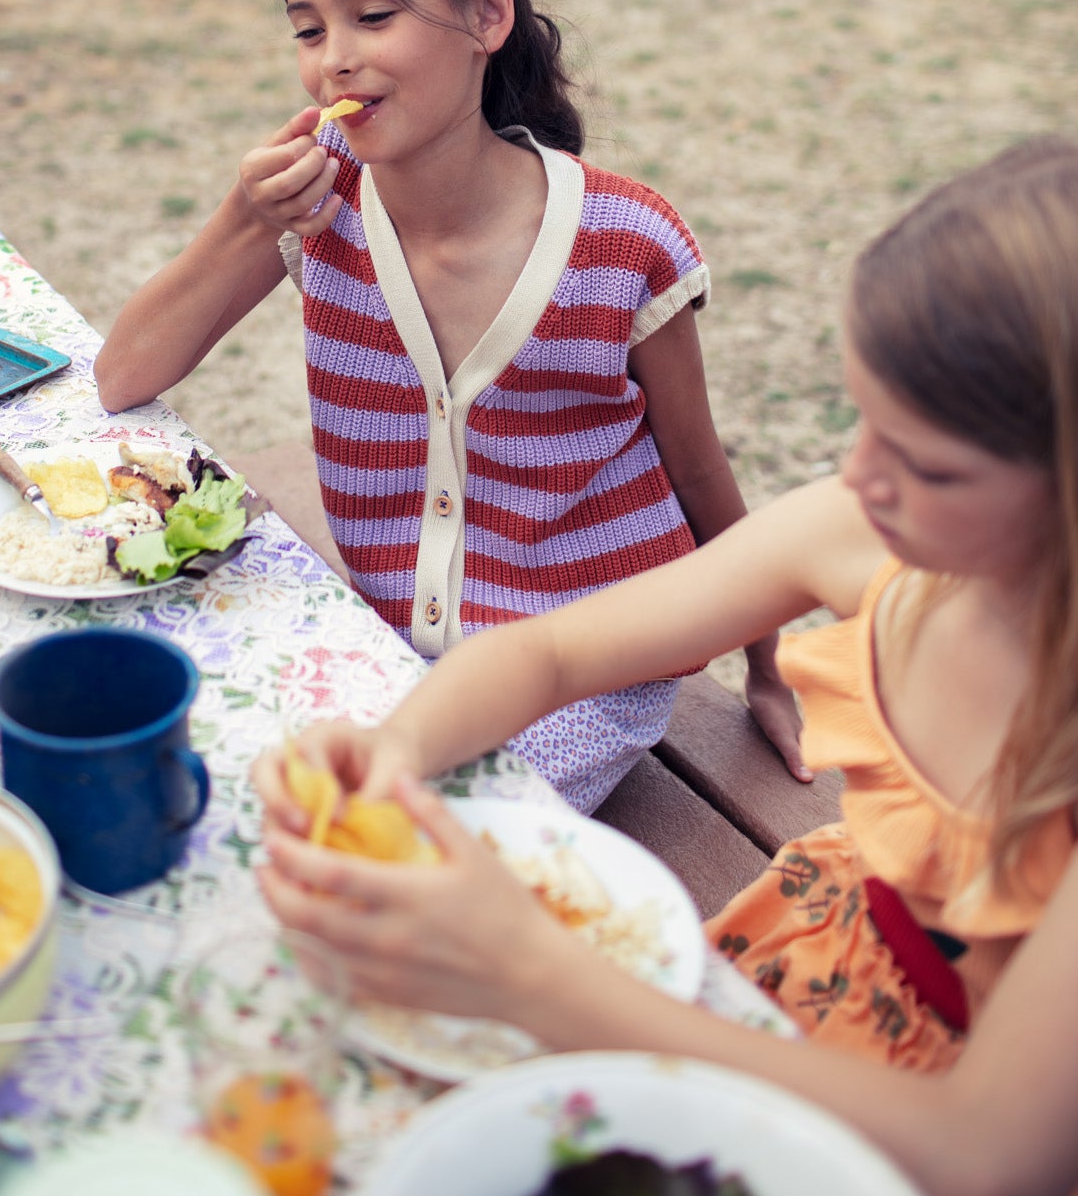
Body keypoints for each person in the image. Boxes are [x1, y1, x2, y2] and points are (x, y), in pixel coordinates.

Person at [253, 136, 1078, 1196]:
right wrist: (393, 744)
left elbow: (987, 1153)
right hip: (809, 964)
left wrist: (535, 973)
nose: (856, 473)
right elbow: (552, 648)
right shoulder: (868, 537)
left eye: (926, 463)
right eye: (862, 418)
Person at [96, 0, 802, 808]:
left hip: (588, 671)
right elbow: (125, 376)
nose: (334, 57)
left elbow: (698, 468)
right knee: (192, 775)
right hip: (390, 645)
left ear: (488, 14)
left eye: (373, 15)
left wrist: (766, 665)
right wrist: (242, 221)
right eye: (308, 30)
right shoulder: (320, 206)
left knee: (416, 844)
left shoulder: (624, 243)